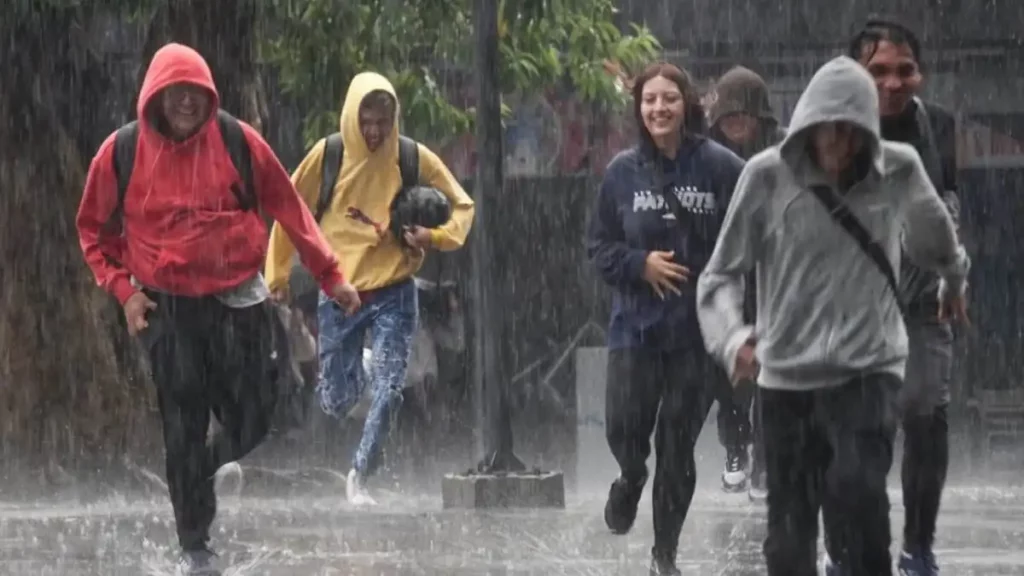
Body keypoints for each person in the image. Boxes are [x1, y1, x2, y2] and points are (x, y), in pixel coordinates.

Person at [75, 43, 358, 576]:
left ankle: (200, 470)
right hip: (168, 308)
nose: (186, 101)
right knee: (181, 423)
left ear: (210, 95)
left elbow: (290, 210)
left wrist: (331, 275)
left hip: (237, 302)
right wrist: (124, 291)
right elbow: (92, 228)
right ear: (154, 96)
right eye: (174, 92)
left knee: (255, 416)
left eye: (196, 93)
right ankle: (195, 543)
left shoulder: (237, 141)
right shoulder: (122, 152)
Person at [696, 56, 969, 576]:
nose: (838, 145)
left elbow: (939, 240)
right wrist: (732, 340)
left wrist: (953, 282)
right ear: (806, 127)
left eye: (851, 132)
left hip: (868, 368)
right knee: (788, 533)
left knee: (861, 499)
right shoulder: (765, 176)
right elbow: (719, 275)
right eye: (827, 131)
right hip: (787, 377)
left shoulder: (898, 168)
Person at [264, 72, 474, 506]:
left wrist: (433, 237)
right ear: (351, 117)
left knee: (392, 388)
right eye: (367, 121)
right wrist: (278, 275)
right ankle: (355, 370)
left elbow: (462, 205)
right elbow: (290, 209)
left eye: (383, 120)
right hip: (340, 292)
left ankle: (360, 473)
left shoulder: (411, 155)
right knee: (338, 400)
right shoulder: (328, 156)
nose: (375, 131)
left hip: (397, 291)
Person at [586, 61, 744, 576]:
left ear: (686, 104)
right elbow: (598, 246)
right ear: (639, 108)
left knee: (677, 446)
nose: (659, 108)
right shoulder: (621, 173)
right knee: (624, 428)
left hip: (696, 336)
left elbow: (750, 237)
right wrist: (639, 264)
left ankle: (665, 556)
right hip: (635, 328)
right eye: (649, 100)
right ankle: (631, 478)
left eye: (668, 99)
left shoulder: (722, 167)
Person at [830, 18, 962, 576]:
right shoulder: (826, 132)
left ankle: (918, 546)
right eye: (877, 70)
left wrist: (954, 274)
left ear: (920, 74)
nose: (892, 81)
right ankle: (846, 551)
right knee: (850, 438)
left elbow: (949, 205)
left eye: (904, 69)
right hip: (846, 308)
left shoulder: (940, 129)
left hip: (922, 302)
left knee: (926, 417)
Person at [704, 65, 787, 499]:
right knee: (732, 372)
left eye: (744, 115)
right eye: (728, 116)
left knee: (773, 373)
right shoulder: (707, 155)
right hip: (726, 273)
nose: (736, 124)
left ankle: (767, 463)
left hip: (775, 273)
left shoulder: (785, 150)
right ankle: (736, 449)